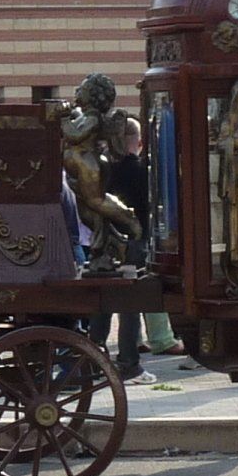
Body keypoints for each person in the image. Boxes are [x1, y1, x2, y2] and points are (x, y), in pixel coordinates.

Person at [89, 117, 156, 385]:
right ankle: (129, 364)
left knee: (101, 302)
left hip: (104, 242)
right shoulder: (142, 172)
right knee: (130, 306)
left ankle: (94, 356)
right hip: (134, 242)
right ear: (138, 142)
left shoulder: (103, 169)